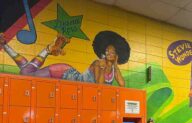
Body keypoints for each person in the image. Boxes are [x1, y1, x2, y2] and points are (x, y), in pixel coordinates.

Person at [0, 30, 130, 87]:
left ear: (117, 55)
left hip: (68, 77)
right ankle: (48, 49)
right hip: (64, 72)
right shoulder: (97, 63)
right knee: (26, 75)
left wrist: (115, 66)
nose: (108, 53)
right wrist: (102, 67)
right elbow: (99, 85)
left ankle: (48, 49)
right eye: (107, 50)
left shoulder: (114, 69)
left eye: (112, 52)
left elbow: (122, 84)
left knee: (25, 72)